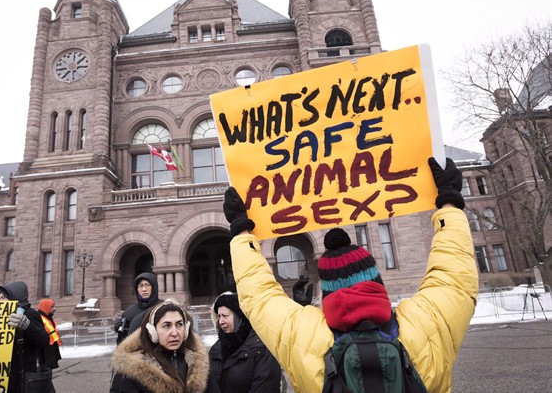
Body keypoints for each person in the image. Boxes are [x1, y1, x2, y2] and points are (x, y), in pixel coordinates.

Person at [222, 157, 479, 393]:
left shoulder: (301, 334)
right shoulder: (425, 323)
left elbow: (258, 296)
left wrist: (242, 232)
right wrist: (450, 204)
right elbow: (454, 276)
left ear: (328, 291)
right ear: (375, 281)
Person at [110, 300, 209, 393]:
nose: (175, 333)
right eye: (167, 326)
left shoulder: (199, 362)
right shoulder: (130, 372)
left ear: (186, 329)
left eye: (179, 324)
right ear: (153, 332)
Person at [207, 291, 281, 393]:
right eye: (219, 316)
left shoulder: (261, 349)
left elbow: (265, 387)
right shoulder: (216, 348)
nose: (221, 321)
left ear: (239, 317)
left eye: (225, 316)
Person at [0, 281, 50, 393]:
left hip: (25, 374)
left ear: (14, 296)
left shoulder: (29, 314)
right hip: (8, 374)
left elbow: (44, 340)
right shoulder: (0, 316)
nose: (0, 301)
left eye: (3, 297)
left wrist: (27, 326)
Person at [114, 272, 161, 344]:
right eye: (140, 286)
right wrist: (121, 331)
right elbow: (123, 344)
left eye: (147, 285)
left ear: (154, 287)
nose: (144, 289)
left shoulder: (164, 307)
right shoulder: (128, 313)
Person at [38, 298, 62, 391]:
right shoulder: (40, 319)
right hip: (45, 353)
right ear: (46, 307)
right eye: (52, 307)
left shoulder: (48, 318)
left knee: (48, 378)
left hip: (50, 351)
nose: (54, 309)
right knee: (45, 379)